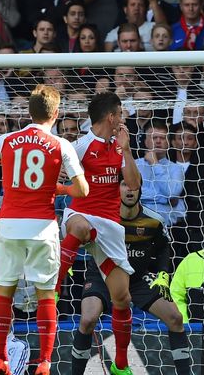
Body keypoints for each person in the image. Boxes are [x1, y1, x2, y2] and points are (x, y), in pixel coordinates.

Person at [0, 84, 89, 375]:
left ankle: (0, 358)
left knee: (4, 291)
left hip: (9, 224)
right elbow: (82, 189)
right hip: (43, 227)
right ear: (56, 114)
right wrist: (58, 188)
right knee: (46, 294)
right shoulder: (61, 144)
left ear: (28, 112)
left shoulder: (8, 139)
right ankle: (45, 361)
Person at [55, 91, 142, 375]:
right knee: (81, 227)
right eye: (121, 114)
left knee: (122, 298)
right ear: (111, 117)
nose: (123, 119)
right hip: (80, 215)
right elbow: (55, 179)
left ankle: (120, 364)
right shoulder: (79, 146)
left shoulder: (120, 147)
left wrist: (127, 150)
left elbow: (133, 184)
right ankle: (54, 289)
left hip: (110, 228)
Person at [71, 177, 190, 375]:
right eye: (125, 184)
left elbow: (163, 249)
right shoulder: (102, 218)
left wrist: (162, 274)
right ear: (116, 188)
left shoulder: (154, 220)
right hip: (102, 276)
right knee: (87, 320)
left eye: (134, 186)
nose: (129, 190)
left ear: (140, 190)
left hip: (137, 278)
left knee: (175, 318)